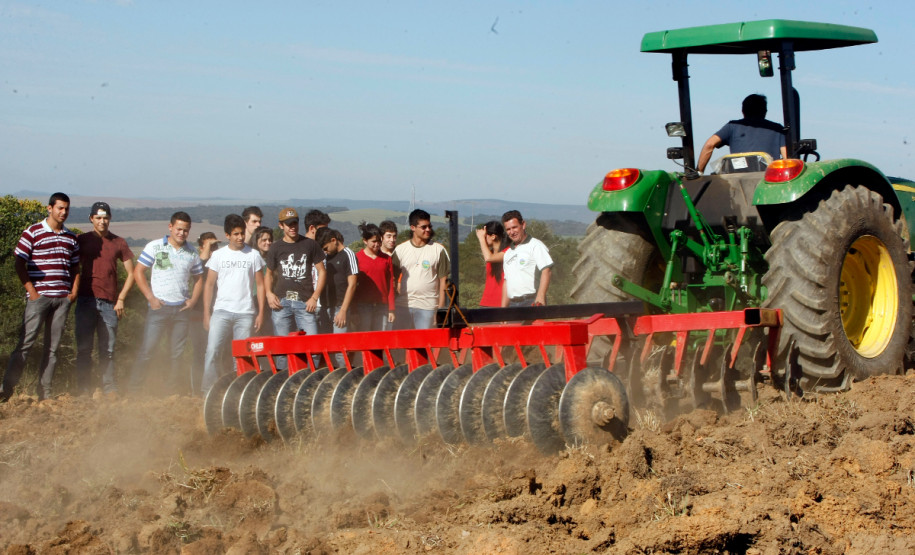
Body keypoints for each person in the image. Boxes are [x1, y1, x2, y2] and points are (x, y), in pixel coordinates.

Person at [0, 193, 79, 402]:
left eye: (66, 209)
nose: (63, 212)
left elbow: (75, 266)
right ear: (49, 208)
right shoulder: (33, 232)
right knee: (25, 344)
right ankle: (6, 391)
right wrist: (32, 292)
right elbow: (19, 262)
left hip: (62, 299)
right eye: (60, 208)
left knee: (52, 349)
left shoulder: (70, 237)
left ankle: (45, 394)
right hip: (39, 297)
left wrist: (73, 292)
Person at [128, 211, 204, 395]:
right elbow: (138, 272)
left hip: (181, 310)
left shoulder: (192, 253)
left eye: (186, 230)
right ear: (170, 227)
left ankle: (171, 393)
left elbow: (199, 279)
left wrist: (193, 301)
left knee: (176, 354)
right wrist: (151, 298)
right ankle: (133, 391)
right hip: (159, 308)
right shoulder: (155, 247)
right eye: (178, 229)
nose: (182, 233)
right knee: (148, 350)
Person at [200, 214, 266, 395]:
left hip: (245, 313)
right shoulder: (218, 256)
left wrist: (260, 312)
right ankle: (207, 392)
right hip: (221, 312)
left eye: (242, 233)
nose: (240, 237)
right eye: (236, 234)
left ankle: (240, 393)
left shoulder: (253, 255)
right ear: (227, 235)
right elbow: (209, 285)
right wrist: (207, 313)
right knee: (212, 351)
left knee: (243, 356)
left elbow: (260, 285)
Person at [74, 201, 135, 395]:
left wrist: (121, 299)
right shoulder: (81, 240)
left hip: (109, 303)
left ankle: (109, 389)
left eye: (106, 218)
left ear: (110, 219)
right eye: (98, 218)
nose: (102, 221)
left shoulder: (119, 242)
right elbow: (72, 268)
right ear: (91, 219)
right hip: (85, 300)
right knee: (84, 349)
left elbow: (132, 274)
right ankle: (83, 389)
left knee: (107, 350)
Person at [265, 207, 326, 368]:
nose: (292, 227)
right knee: (283, 349)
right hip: (281, 302)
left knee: (313, 348)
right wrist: (269, 294)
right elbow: (268, 274)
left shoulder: (310, 245)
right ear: (281, 226)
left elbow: (322, 271)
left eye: (295, 223)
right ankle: (282, 385)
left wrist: (315, 297)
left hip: (305, 303)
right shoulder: (276, 247)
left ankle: (310, 383)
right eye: (288, 224)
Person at [697, 94, 787, 174]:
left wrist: (699, 173)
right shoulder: (777, 129)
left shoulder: (732, 126)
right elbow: (786, 156)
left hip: (736, 181)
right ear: (765, 111)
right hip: (768, 181)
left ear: (743, 111)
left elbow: (709, 145)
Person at [392, 209, 449, 329]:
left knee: (425, 345)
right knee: (403, 344)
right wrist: (391, 307)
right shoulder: (400, 250)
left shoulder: (438, 250)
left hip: (428, 307)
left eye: (429, 226)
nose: (428, 229)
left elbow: (443, 282)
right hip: (403, 305)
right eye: (423, 227)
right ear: (413, 227)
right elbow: (392, 279)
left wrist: (441, 310)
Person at [315, 227, 358, 367]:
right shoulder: (326, 256)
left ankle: (344, 375)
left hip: (340, 307)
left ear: (334, 240)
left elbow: (352, 284)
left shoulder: (348, 255)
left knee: (340, 347)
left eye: (326, 248)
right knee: (326, 346)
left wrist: (343, 311)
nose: (325, 252)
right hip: (325, 306)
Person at [188, 232, 220, 395]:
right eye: (209, 245)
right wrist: (207, 250)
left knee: (215, 351)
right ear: (201, 247)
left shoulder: (220, 262)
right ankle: (197, 392)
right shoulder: (198, 263)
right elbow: (200, 266)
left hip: (217, 314)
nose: (213, 249)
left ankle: (213, 389)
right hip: (197, 314)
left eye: (215, 246)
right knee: (199, 352)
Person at [500, 210, 553, 308]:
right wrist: (503, 310)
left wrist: (540, 297)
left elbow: (547, 270)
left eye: (514, 227)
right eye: (508, 229)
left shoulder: (535, 245)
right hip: (512, 305)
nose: (512, 232)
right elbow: (506, 282)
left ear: (523, 225)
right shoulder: (507, 253)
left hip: (531, 301)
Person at [353, 223, 395, 331]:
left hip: (382, 306)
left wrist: (391, 309)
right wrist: (354, 311)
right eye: (373, 241)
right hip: (363, 306)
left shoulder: (386, 259)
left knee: (381, 337)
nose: (377, 244)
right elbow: (353, 286)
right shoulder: (357, 258)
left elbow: (390, 284)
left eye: (379, 241)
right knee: (365, 337)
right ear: (365, 241)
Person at [475, 220, 506, 308]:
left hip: (501, 303)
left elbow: (489, 258)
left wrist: (481, 239)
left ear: (493, 236)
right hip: (486, 302)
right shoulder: (491, 252)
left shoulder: (508, 252)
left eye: (485, 236)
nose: (483, 239)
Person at [378, 220, 399, 330]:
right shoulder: (378, 256)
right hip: (382, 302)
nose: (392, 240)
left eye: (394, 236)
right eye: (389, 236)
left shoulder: (399, 254)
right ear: (381, 237)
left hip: (399, 300)